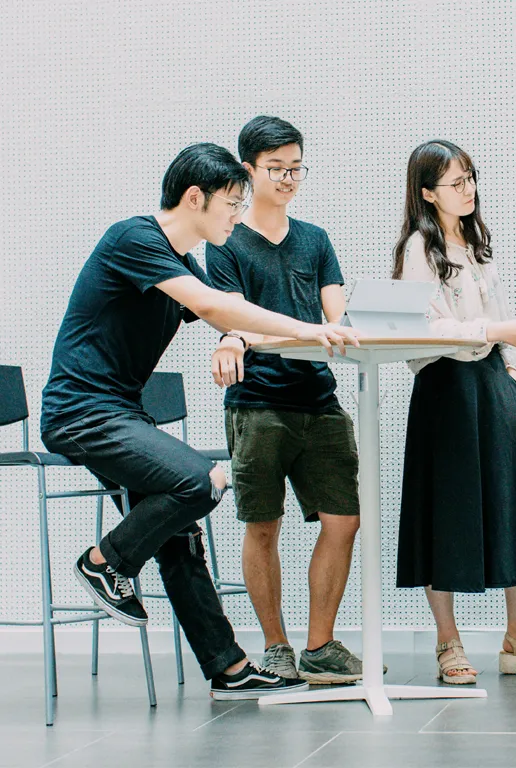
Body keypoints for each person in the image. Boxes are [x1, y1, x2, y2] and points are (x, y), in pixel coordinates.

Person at [40, 142, 358, 700]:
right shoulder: (133, 239)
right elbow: (216, 308)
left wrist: (250, 334)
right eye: (233, 204)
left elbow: (232, 314)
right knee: (200, 480)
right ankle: (103, 562)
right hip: (81, 410)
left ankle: (228, 668)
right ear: (196, 198)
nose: (239, 217)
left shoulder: (180, 262)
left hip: (120, 412)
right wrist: (307, 329)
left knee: (180, 536)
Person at [391, 140, 516, 684]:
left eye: (471, 178)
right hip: (445, 389)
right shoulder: (417, 249)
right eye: (455, 182)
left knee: (512, 505)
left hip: (492, 383)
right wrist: (495, 334)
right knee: (445, 511)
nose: (468, 190)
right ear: (427, 193)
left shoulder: (476, 241)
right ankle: (449, 642)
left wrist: (510, 371)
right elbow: (423, 330)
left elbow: (502, 315)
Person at [206, 116, 363, 684]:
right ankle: (276, 646)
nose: (289, 178)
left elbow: (335, 314)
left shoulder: (315, 239)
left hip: (320, 401)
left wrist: (343, 324)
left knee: (344, 519)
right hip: (257, 405)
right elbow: (230, 317)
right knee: (262, 525)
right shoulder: (225, 242)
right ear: (248, 170)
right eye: (277, 169)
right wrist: (240, 337)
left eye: (297, 168)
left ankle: (320, 645)